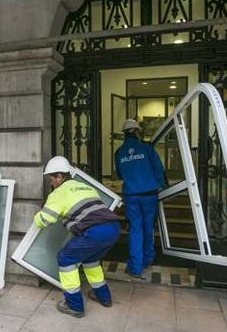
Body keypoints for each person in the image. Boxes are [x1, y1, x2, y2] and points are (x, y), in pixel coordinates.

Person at [33, 156, 120, 318]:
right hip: (113, 228)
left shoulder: (58, 193)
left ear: (60, 177)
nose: (50, 182)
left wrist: (36, 217)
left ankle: (75, 305)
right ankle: (104, 297)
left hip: (95, 232)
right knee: (90, 260)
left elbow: (45, 219)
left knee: (65, 258)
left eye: (51, 178)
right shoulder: (85, 187)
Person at [114, 119, 166, 278]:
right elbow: (158, 169)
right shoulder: (146, 148)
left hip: (132, 196)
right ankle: (148, 259)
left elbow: (120, 174)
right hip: (149, 195)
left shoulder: (119, 152)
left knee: (135, 230)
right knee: (148, 228)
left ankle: (135, 268)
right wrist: (162, 185)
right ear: (137, 132)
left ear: (124, 134)